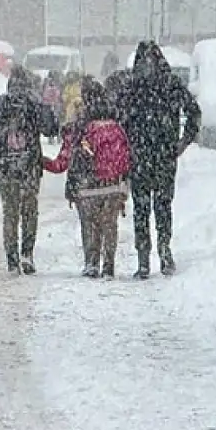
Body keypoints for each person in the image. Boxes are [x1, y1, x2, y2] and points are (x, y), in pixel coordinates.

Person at [114, 40, 201, 278]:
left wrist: (182, 143)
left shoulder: (133, 87)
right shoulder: (168, 84)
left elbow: (118, 119)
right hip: (157, 155)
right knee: (157, 207)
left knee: (148, 208)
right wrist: (182, 142)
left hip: (146, 155)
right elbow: (193, 113)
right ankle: (158, 253)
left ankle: (151, 256)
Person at [42, 77, 133, 279]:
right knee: (110, 225)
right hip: (114, 184)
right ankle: (108, 265)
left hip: (87, 186)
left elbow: (62, 163)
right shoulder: (117, 123)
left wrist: (42, 162)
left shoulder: (77, 128)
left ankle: (91, 263)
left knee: (89, 224)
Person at [0, 65, 60, 275]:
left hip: (6, 166)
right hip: (30, 166)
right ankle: (27, 253)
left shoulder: (1, 103)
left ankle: (12, 259)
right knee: (29, 211)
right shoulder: (34, 104)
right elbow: (51, 128)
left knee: (10, 213)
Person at [41, 71, 64, 144]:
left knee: (51, 122)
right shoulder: (57, 84)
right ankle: (57, 136)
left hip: (48, 104)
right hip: (54, 104)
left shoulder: (46, 83)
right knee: (55, 121)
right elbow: (59, 94)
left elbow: (43, 93)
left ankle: (53, 136)